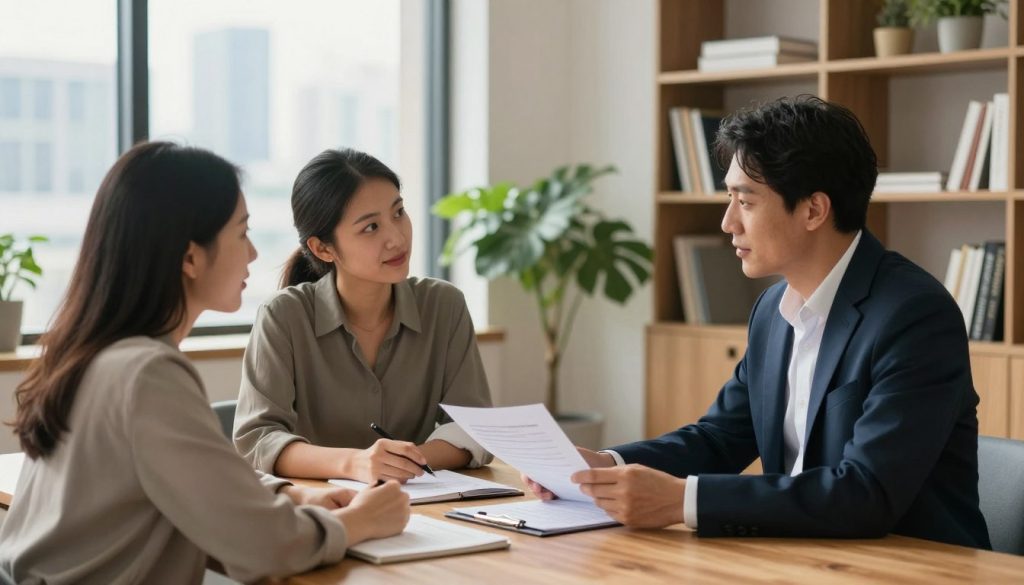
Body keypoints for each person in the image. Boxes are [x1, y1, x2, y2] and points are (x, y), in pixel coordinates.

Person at [526, 95, 991, 549]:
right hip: (800, 557)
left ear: (813, 209)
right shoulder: (773, 310)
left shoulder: (914, 316)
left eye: (745, 202)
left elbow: (865, 493)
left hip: (912, 567)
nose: (728, 222)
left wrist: (682, 500)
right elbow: (720, 437)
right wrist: (606, 464)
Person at [0, 142, 410, 584]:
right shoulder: (147, 373)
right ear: (191, 257)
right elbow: (267, 546)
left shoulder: (101, 353)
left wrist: (288, 495)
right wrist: (364, 521)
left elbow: (197, 479)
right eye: (241, 232)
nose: (253, 253)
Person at [233, 148, 492, 483]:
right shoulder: (283, 317)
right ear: (323, 248)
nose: (396, 238)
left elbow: (475, 427)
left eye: (398, 213)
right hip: (322, 512)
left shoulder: (443, 305)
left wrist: (402, 463)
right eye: (371, 227)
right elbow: (258, 440)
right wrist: (355, 464)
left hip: (427, 506)